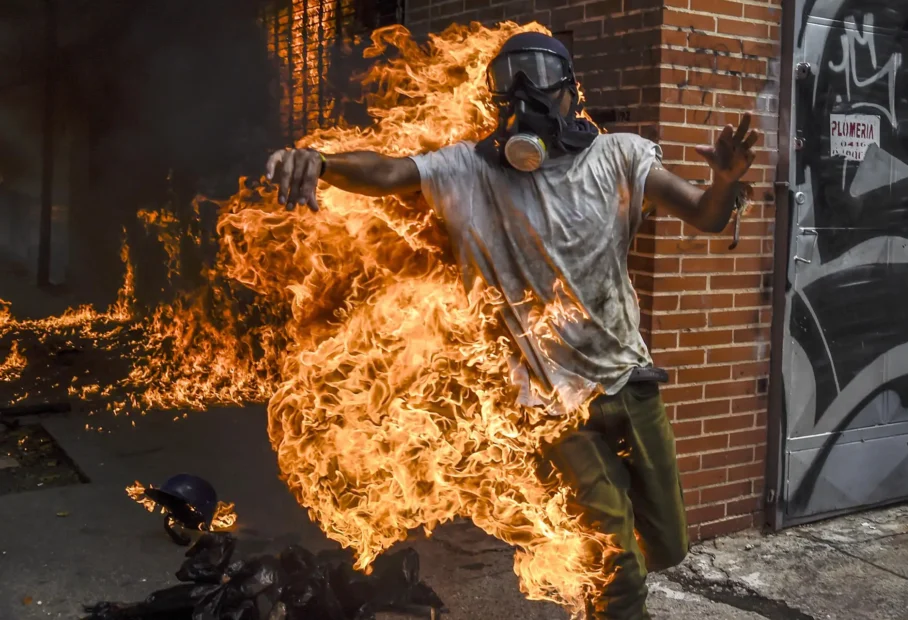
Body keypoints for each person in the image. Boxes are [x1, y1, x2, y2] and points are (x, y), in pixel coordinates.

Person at [265, 31, 757, 620]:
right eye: (509, 82)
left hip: (630, 383)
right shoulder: (468, 170)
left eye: (540, 77)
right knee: (618, 566)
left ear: (573, 93)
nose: (525, 94)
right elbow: (388, 172)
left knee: (667, 546)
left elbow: (705, 213)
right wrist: (322, 162)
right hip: (553, 407)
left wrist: (725, 182)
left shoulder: (619, 158)